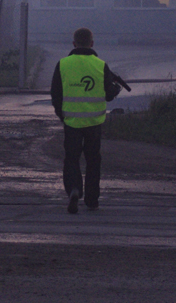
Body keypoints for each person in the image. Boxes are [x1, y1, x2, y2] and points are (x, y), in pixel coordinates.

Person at [50, 27, 123, 214]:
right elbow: (108, 95)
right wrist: (116, 89)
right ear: (92, 43)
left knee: (71, 158)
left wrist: (62, 115)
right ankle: (92, 200)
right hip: (94, 123)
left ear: (74, 43)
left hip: (71, 122)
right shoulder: (100, 65)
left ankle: (74, 189)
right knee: (93, 160)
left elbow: (56, 93)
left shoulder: (63, 64)